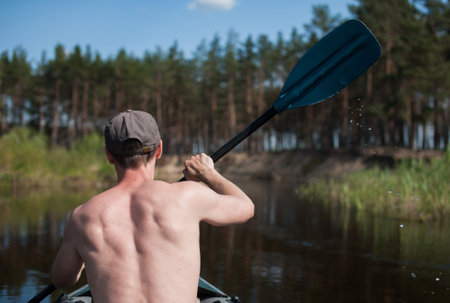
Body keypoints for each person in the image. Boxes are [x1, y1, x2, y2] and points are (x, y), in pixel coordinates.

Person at [50, 110, 254, 303]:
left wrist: (83, 252)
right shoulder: (187, 196)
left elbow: (62, 280)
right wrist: (208, 174)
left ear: (109, 155)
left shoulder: (83, 216)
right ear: (159, 150)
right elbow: (245, 207)